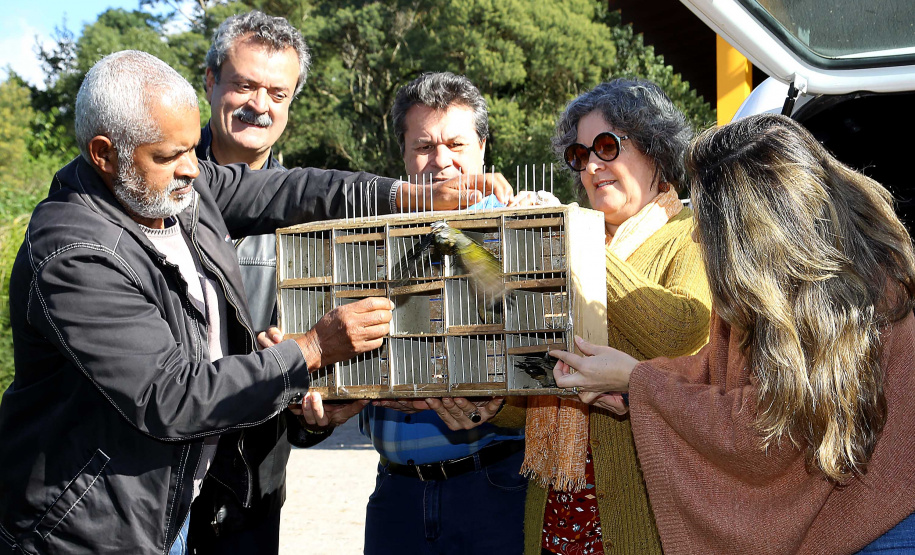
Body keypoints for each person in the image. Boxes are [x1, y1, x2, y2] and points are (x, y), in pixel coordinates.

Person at [0, 50, 508, 555]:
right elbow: (171, 396)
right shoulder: (76, 254)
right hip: (84, 530)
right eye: (167, 157)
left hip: (164, 512)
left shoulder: (170, 189)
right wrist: (311, 349)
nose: (191, 172)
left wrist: (410, 197)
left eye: (190, 153)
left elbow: (292, 189)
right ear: (104, 154)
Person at [551, 113, 915, 554]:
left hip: (886, 529)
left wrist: (639, 381)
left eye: (708, 221)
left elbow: (765, 426)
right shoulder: (771, 293)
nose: (700, 238)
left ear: (751, 226)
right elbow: (713, 372)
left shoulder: (860, 299)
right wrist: (633, 381)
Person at [186, 11, 343, 554]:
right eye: (245, 85)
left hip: (250, 493)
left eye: (278, 92)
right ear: (209, 80)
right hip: (151, 484)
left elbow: (315, 375)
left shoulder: (316, 218)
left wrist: (318, 414)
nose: (260, 105)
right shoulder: (154, 188)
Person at [365, 72, 531, 554]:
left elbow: (539, 343)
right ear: (402, 153)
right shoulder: (370, 240)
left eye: (455, 144)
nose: (440, 161)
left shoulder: (517, 230)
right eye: (423, 146)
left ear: (482, 146)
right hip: (395, 496)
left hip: (491, 490)